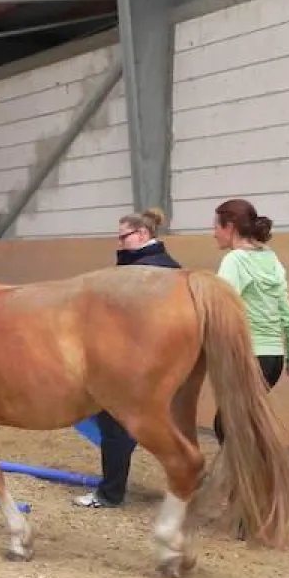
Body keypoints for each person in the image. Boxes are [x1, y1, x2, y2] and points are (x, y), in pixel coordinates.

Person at [74, 208, 182, 509]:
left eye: (124, 237)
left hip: (134, 358)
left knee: (115, 425)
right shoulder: (167, 267)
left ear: (143, 234)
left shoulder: (146, 271)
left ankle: (110, 493)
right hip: (154, 359)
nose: (119, 244)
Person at [210, 198, 289, 445]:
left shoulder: (235, 260)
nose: (214, 233)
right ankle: (245, 479)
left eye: (216, 226)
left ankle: (242, 480)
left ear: (230, 226)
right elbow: (287, 313)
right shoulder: (271, 259)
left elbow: (221, 307)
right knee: (243, 422)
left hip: (249, 357)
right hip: (273, 360)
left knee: (227, 426)